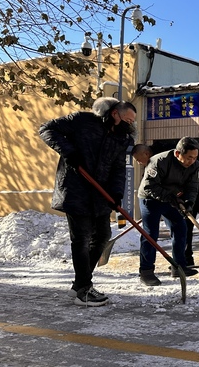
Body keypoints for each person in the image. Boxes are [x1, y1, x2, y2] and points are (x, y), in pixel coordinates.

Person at [39, 97, 137, 306]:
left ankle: (80, 284)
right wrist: (69, 152)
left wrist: (116, 193)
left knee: (102, 236)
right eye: (128, 120)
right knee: (81, 239)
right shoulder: (82, 121)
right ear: (114, 114)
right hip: (76, 189)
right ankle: (84, 289)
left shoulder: (122, 139)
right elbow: (47, 129)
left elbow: (119, 168)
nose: (131, 125)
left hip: (101, 194)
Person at [137, 137, 199, 285]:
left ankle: (178, 266)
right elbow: (149, 186)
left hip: (172, 199)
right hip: (150, 199)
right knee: (150, 234)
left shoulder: (195, 165)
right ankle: (146, 271)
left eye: (195, 157)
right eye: (189, 157)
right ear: (178, 153)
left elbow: (193, 187)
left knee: (180, 228)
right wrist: (170, 198)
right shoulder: (159, 161)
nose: (192, 161)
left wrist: (189, 201)